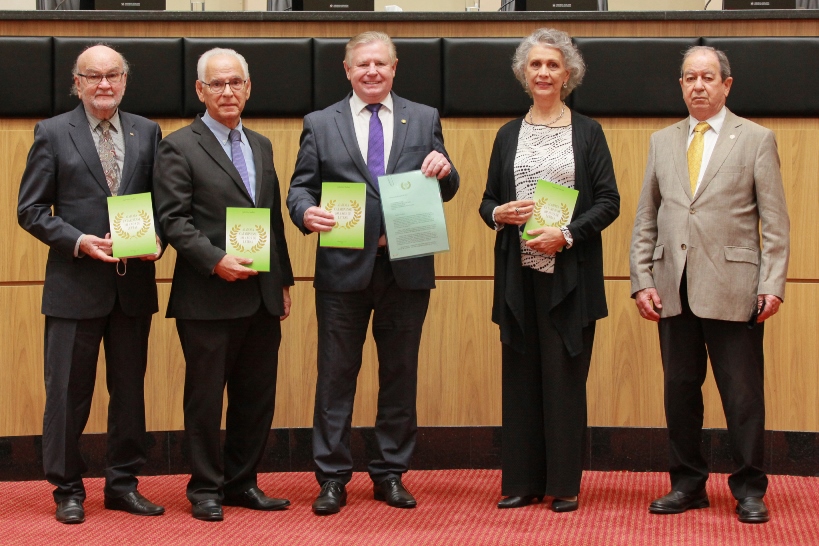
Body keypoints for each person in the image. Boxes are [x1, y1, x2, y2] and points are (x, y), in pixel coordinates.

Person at [287, 31, 459, 515]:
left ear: (394, 67)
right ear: (347, 70)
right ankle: (333, 477)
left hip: (406, 267)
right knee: (336, 377)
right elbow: (300, 188)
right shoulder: (320, 123)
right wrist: (306, 214)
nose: (371, 72)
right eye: (362, 64)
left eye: (380, 64)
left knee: (400, 374)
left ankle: (390, 472)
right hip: (342, 270)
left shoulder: (423, 117)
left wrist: (445, 169)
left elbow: (448, 185)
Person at [630, 45, 789, 524]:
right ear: (681, 85)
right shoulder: (662, 141)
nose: (698, 85)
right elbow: (646, 219)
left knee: (742, 395)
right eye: (689, 78)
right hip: (671, 287)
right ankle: (687, 484)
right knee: (679, 390)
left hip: (736, 287)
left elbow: (776, 223)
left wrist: (773, 283)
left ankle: (749, 488)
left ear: (726, 84)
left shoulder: (756, 139)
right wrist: (642, 280)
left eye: (707, 77)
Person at [17, 44, 165, 524]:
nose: (105, 84)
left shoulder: (148, 131)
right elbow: (32, 211)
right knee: (67, 394)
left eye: (113, 75)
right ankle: (67, 489)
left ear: (125, 80)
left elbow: (163, 203)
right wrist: (79, 240)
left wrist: (159, 238)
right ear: (76, 83)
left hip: (132, 287)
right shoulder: (53, 132)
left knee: (129, 392)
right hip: (74, 285)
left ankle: (123, 484)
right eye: (93, 76)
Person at [478, 28, 619, 513]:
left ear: (568, 74)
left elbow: (609, 201)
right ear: (524, 73)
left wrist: (568, 234)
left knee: (562, 380)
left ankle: (563, 484)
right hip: (519, 276)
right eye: (535, 65)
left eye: (552, 65)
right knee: (519, 378)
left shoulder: (589, 132)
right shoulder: (507, 134)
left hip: (569, 277)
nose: (543, 73)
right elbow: (487, 202)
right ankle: (521, 482)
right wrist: (500, 215)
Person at [153, 48, 294, 522]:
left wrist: (284, 281)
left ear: (248, 88)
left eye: (236, 82)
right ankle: (205, 489)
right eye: (217, 84)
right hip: (207, 296)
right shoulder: (178, 145)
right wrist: (215, 261)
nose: (227, 91)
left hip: (260, 295)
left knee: (256, 398)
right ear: (201, 91)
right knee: (206, 398)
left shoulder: (261, 144)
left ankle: (242, 483)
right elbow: (172, 220)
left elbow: (271, 220)